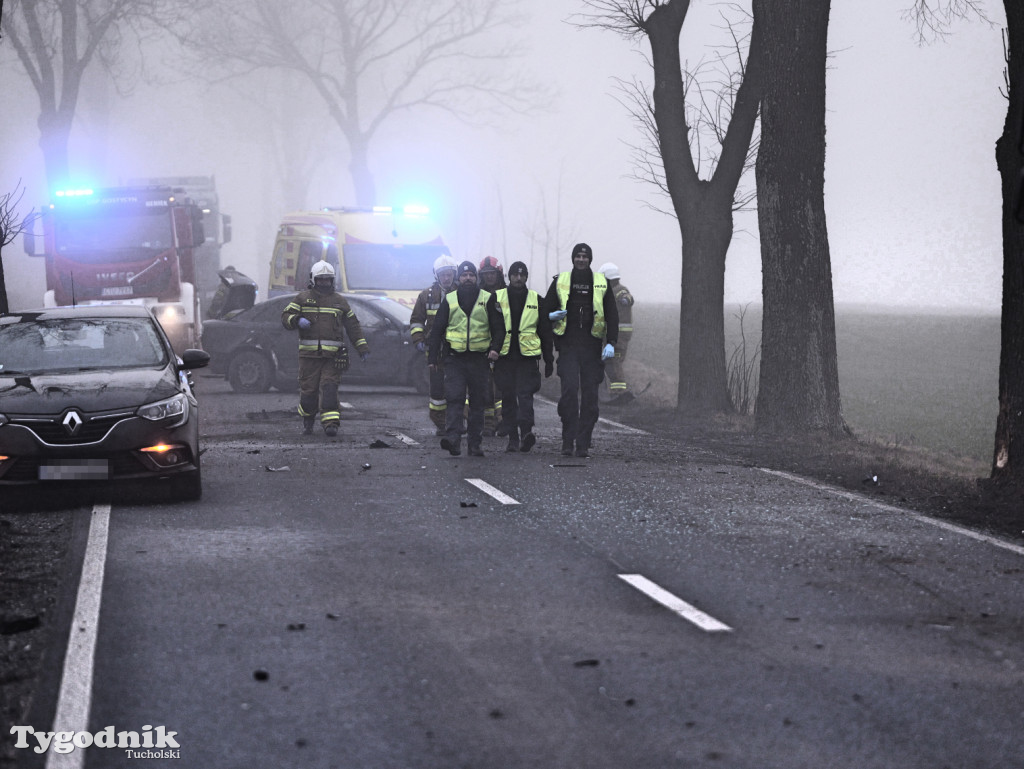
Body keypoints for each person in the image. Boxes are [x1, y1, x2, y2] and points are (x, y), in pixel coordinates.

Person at [544, 243, 618, 458]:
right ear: (573, 258)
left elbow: (612, 315)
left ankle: (583, 442)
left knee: (590, 398)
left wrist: (611, 342)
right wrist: (550, 317)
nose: (581, 260)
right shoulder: (560, 281)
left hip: (592, 349)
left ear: (590, 260)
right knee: (568, 393)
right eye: (578, 256)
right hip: (567, 347)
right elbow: (545, 309)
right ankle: (568, 439)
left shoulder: (601, 283)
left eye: (585, 256)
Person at [281, 261, 370, 437]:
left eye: (327, 280)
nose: (324, 283)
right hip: (309, 357)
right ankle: (308, 420)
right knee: (309, 392)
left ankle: (331, 424)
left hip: (332, 357)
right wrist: (296, 320)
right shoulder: (302, 298)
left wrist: (362, 347)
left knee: (329, 387)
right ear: (313, 280)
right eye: (320, 280)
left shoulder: (339, 301)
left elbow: (353, 325)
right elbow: (285, 316)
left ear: (332, 280)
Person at [428, 260, 505, 457]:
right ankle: (453, 440)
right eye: (464, 275)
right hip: (455, 359)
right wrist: (432, 357)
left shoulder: (488, 299)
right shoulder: (450, 299)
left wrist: (495, 349)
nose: (468, 278)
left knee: (478, 402)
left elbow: (499, 329)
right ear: (458, 278)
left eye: (471, 275)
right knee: (455, 398)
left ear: (475, 277)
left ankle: (474, 444)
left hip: (479, 360)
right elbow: (437, 330)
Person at [493, 261, 554, 452]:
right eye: (515, 275)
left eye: (522, 275)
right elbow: (490, 328)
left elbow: (545, 331)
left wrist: (549, 358)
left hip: (527, 358)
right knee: (509, 396)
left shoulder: (537, 300)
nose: (518, 278)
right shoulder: (497, 298)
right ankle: (512, 438)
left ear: (526, 277)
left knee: (525, 395)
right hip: (504, 357)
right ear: (509, 277)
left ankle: (526, 433)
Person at [410, 255, 459, 435]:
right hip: (436, 351)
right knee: (437, 389)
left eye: (449, 274)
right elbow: (416, 321)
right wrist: (419, 340)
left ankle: (457, 421)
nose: (446, 278)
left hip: (457, 349)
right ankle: (441, 423)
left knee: (457, 388)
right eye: (443, 275)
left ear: (454, 274)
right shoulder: (426, 296)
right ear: (436, 276)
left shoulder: (463, 293)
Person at [596, 262, 635, 405]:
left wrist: (625, 300)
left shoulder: (619, 290)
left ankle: (620, 392)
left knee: (615, 362)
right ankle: (615, 392)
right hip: (611, 335)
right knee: (608, 362)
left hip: (619, 336)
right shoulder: (607, 293)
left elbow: (628, 297)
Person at [477, 256, 506, 436]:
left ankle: (502, 421)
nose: (489, 277)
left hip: (505, 346)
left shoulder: (507, 294)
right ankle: (488, 423)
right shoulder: (477, 294)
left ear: (499, 274)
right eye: (486, 274)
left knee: (503, 386)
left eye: (492, 273)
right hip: (483, 346)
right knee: (485, 386)